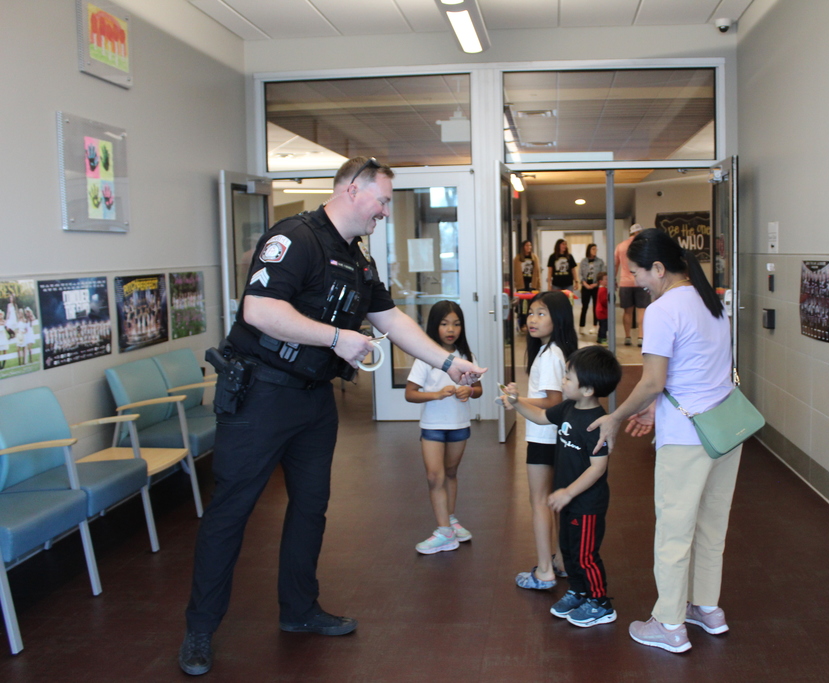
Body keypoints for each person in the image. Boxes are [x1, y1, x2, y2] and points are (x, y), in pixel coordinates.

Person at [178, 156, 486, 676]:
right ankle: (199, 629)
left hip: (313, 400)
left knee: (310, 507)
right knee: (231, 512)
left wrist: (451, 361)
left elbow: (390, 319)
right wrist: (339, 338)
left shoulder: (357, 258)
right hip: (261, 398)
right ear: (349, 190)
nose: (386, 211)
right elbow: (259, 310)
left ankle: (299, 611)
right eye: (382, 199)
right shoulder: (295, 237)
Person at [589, 228, 737, 655]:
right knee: (711, 526)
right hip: (724, 431)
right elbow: (701, 370)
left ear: (658, 268)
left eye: (637, 273)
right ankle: (707, 608)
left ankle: (670, 624)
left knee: (674, 531)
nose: (635, 281)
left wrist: (615, 417)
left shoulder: (662, 309)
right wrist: (656, 406)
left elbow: (652, 380)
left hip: (688, 438)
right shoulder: (710, 300)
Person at [500, 346, 622, 628]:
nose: (563, 381)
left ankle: (600, 603)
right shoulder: (569, 408)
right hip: (569, 502)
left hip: (587, 504)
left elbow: (598, 467)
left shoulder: (595, 423)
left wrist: (568, 492)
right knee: (567, 551)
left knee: (585, 555)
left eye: (568, 377)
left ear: (589, 389)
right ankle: (579, 593)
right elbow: (542, 417)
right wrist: (516, 402)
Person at [505, 290, 577, 590]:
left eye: (541, 313)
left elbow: (553, 400)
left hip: (544, 435)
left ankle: (545, 571)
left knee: (539, 502)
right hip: (555, 436)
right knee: (552, 502)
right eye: (530, 312)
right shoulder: (556, 350)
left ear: (557, 318)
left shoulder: (550, 355)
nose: (532, 319)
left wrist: (516, 399)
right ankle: (559, 561)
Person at [405, 300, 482, 554]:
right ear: (434, 326)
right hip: (432, 426)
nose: (451, 329)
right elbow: (410, 394)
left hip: (459, 425)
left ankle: (450, 520)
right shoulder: (426, 357)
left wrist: (468, 390)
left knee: (450, 473)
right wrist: (437, 394)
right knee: (434, 476)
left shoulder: (466, 357)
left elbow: (478, 390)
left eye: (457, 324)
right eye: (445, 323)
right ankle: (444, 532)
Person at [614, 224, 651, 346]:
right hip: (641, 282)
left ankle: (627, 336)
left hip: (625, 283)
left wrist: (613, 279)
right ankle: (641, 337)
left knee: (627, 311)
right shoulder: (642, 246)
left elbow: (615, 265)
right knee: (642, 311)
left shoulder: (620, 246)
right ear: (637, 233)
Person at [577, 243, 605, 333]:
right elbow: (580, 273)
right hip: (585, 285)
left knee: (596, 307)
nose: (595, 251)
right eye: (593, 249)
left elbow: (603, 274)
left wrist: (596, 283)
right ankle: (581, 326)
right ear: (589, 250)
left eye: (596, 249)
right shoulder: (583, 261)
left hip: (596, 286)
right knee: (584, 306)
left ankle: (595, 326)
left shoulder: (600, 262)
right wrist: (584, 283)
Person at [513, 240, 540, 332]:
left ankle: (531, 323)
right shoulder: (518, 258)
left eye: (530, 245)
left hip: (531, 283)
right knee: (522, 305)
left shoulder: (534, 258)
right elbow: (515, 272)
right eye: (527, 245)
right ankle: (522, 324)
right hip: (522, 284)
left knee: (531, 305)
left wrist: (537, 285)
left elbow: (537, 272)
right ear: (523, 247)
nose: (529, 247)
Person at [595, 272, 609, 345]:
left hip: (599, 312)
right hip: (603, 312)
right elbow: (604, 301)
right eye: (606, 279)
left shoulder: (600, 289)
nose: (608, 281)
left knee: (601, 326)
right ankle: (603, 339)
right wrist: (609, 304)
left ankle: (599, 338)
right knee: (604, 327)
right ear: (600, 281)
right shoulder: (603, 290)